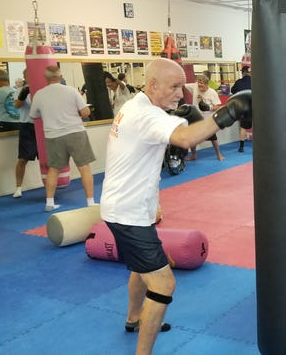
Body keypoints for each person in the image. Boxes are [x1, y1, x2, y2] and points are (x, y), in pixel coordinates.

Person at [100, 58, 251, 355]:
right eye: (173, 86)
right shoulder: (146, 116)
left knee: (145, 268)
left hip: (129, 207)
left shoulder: (134, 105)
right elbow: (184, 138)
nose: (181, 94)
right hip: (127, 213)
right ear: (152, 84)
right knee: (164, 284)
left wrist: (152, 200)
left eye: (182, 86)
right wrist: (230, 111)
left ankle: (133, 318)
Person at [29, 65, 96, 211]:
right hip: (75, 133)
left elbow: (33, 115)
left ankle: (49, 203)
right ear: (60, 76)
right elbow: (85, 113)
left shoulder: (39, 94)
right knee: (84, 167)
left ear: (46, 78)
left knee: (54, 169)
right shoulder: (71, 91)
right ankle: (90, 202)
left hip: (53, 135)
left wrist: (50, 113)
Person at [185, 74, 225, 161]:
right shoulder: (194, 87)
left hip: (208, 119)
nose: (200, 86)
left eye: (202, 84)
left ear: (207, 84)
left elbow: (218, 106)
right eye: (198, 84)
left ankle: (219, 155)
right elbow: (182, 84)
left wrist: (209, 108)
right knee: (192, 137)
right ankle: (193, 155)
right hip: (195, 117)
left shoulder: (212, 92)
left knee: (213, 138)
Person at [12, 69, 38, 199]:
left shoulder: (42, 89)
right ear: (24, 77)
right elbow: (16, 105)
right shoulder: (19, 90)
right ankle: (18, 188)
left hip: (41, 126)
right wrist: (24, 93)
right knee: (22, 158)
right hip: (27, 126)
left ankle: (50, 185)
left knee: (48, 159)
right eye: (27, 76)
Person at [231, 66, 252, 152]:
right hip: (254, 105)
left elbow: (233, 91)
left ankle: (241, 147)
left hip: (243, 106)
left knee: (243, 127)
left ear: (243, 72)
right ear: (250, 72)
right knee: (258, 126)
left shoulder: (239, 82)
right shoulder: (256, 81)